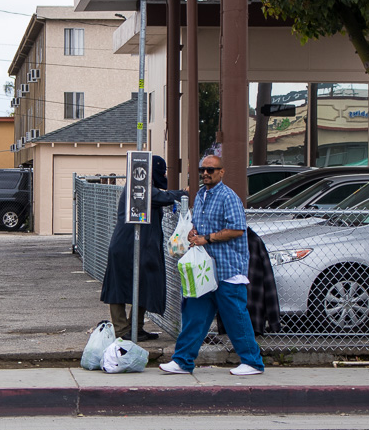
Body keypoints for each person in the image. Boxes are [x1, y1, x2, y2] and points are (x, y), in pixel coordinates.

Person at [159, 155, 265, 376]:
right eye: (202, 170)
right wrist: (193, 232)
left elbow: (237, 229)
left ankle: (253, 362)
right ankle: (182, 361)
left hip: (227, 268)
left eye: (211, 169)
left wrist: (206, 238)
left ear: (222, 172)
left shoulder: (229, 197)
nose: (205, 173)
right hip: (204, 269)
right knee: (194, 316)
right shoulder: (201, 195)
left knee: (235, 316)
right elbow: (200, 225)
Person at [100, 156, 187, 341]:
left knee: (144, 285)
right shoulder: (138, 189)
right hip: (125, 245)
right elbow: (163, 197)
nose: (164, 175)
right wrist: (184, 193)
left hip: (140, 246)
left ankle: (136, 328)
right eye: (162, 172)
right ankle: (122, 330)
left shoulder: (145, 189)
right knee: (118, 287)